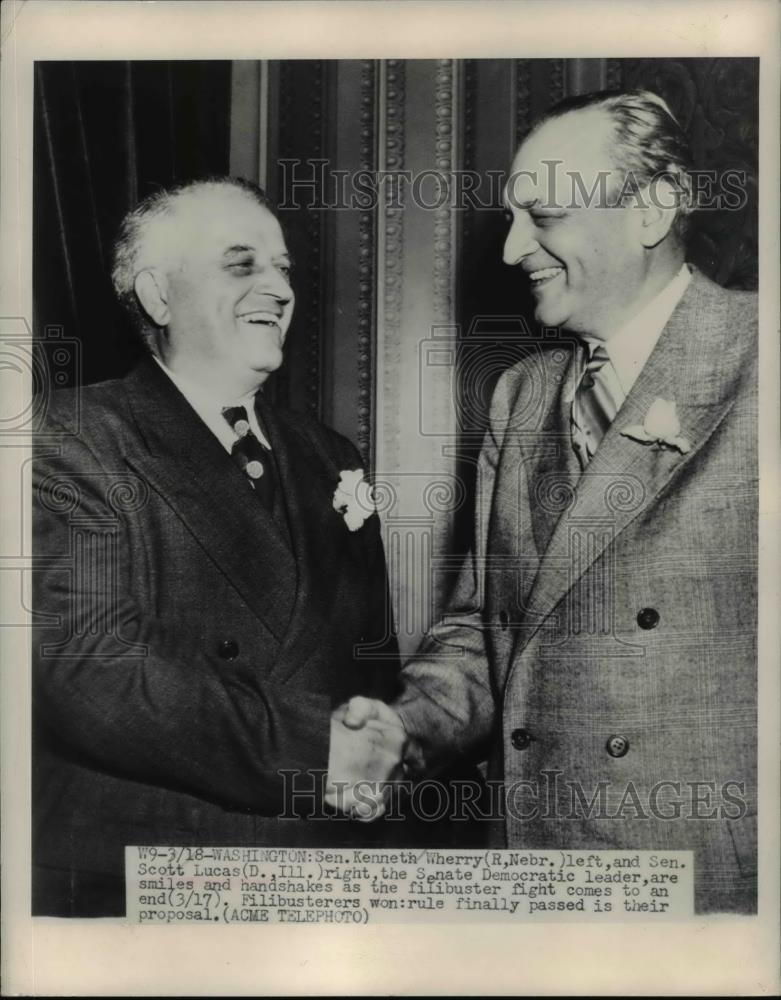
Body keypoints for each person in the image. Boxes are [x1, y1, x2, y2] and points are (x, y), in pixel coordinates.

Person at [343, 90, 758, 914]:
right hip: (536, 860)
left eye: (544, 216)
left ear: (650, 209)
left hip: (710, 882)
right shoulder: (521, 395)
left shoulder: (760, 358)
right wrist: (404, 727)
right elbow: (484, 625)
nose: (509, 249)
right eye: (509, 218)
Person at [31, 177, 405, 917]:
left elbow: (370, 661)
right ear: (158, 297)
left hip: (327, 865)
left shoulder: (331, 455)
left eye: (283, 268)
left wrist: (380, 750)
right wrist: (317, 752)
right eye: (242, 265)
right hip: (143, 877)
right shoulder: (68, 438)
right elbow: (90, 668)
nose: (278, 286)